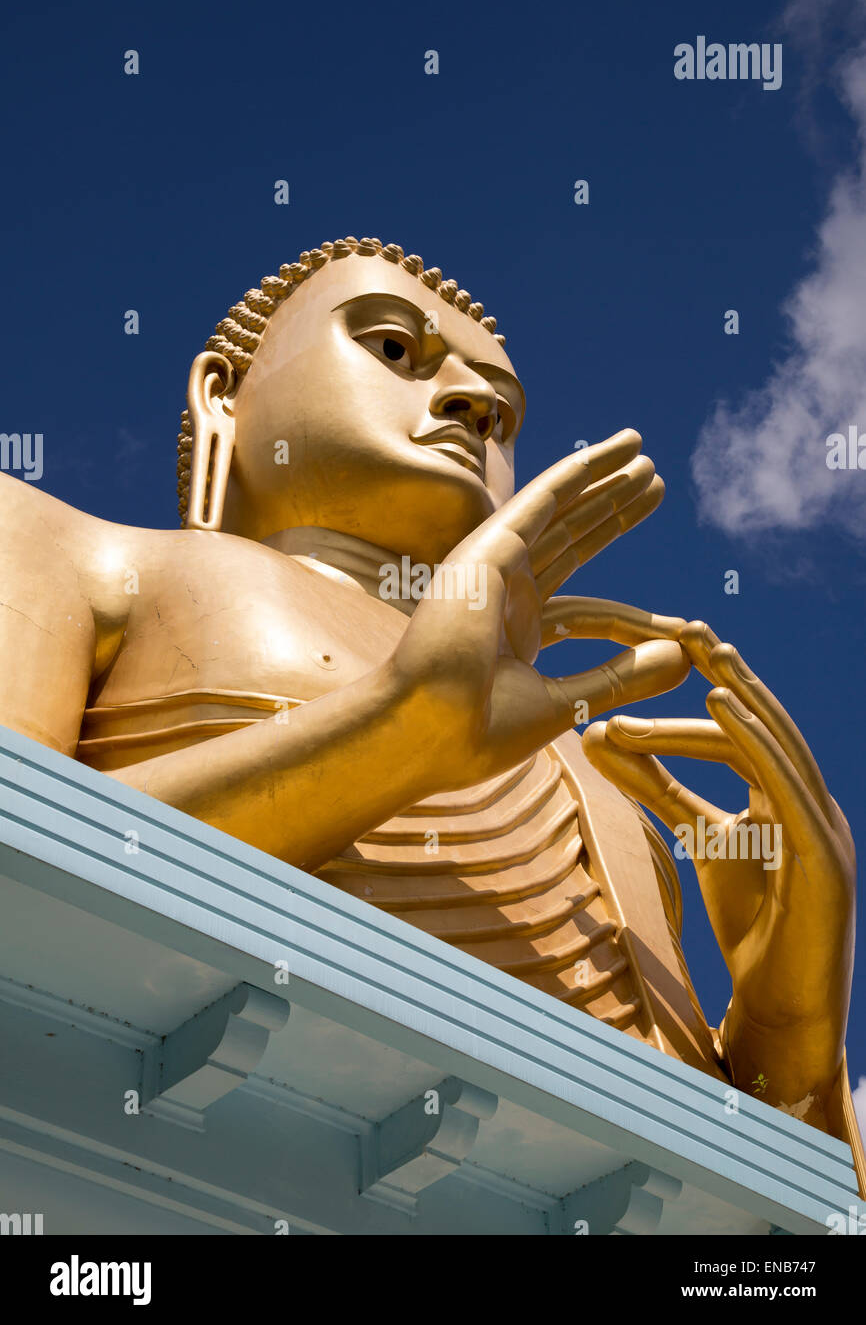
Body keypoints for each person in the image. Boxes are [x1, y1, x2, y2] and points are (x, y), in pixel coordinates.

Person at [1, 235, 861, 1183]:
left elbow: (771, 1245)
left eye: (503, 407)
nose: (470, 404)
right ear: (222, 395)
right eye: (395, 350)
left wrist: (792, 1029)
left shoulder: (592, 776)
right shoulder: (80, 555)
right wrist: (394, 739)